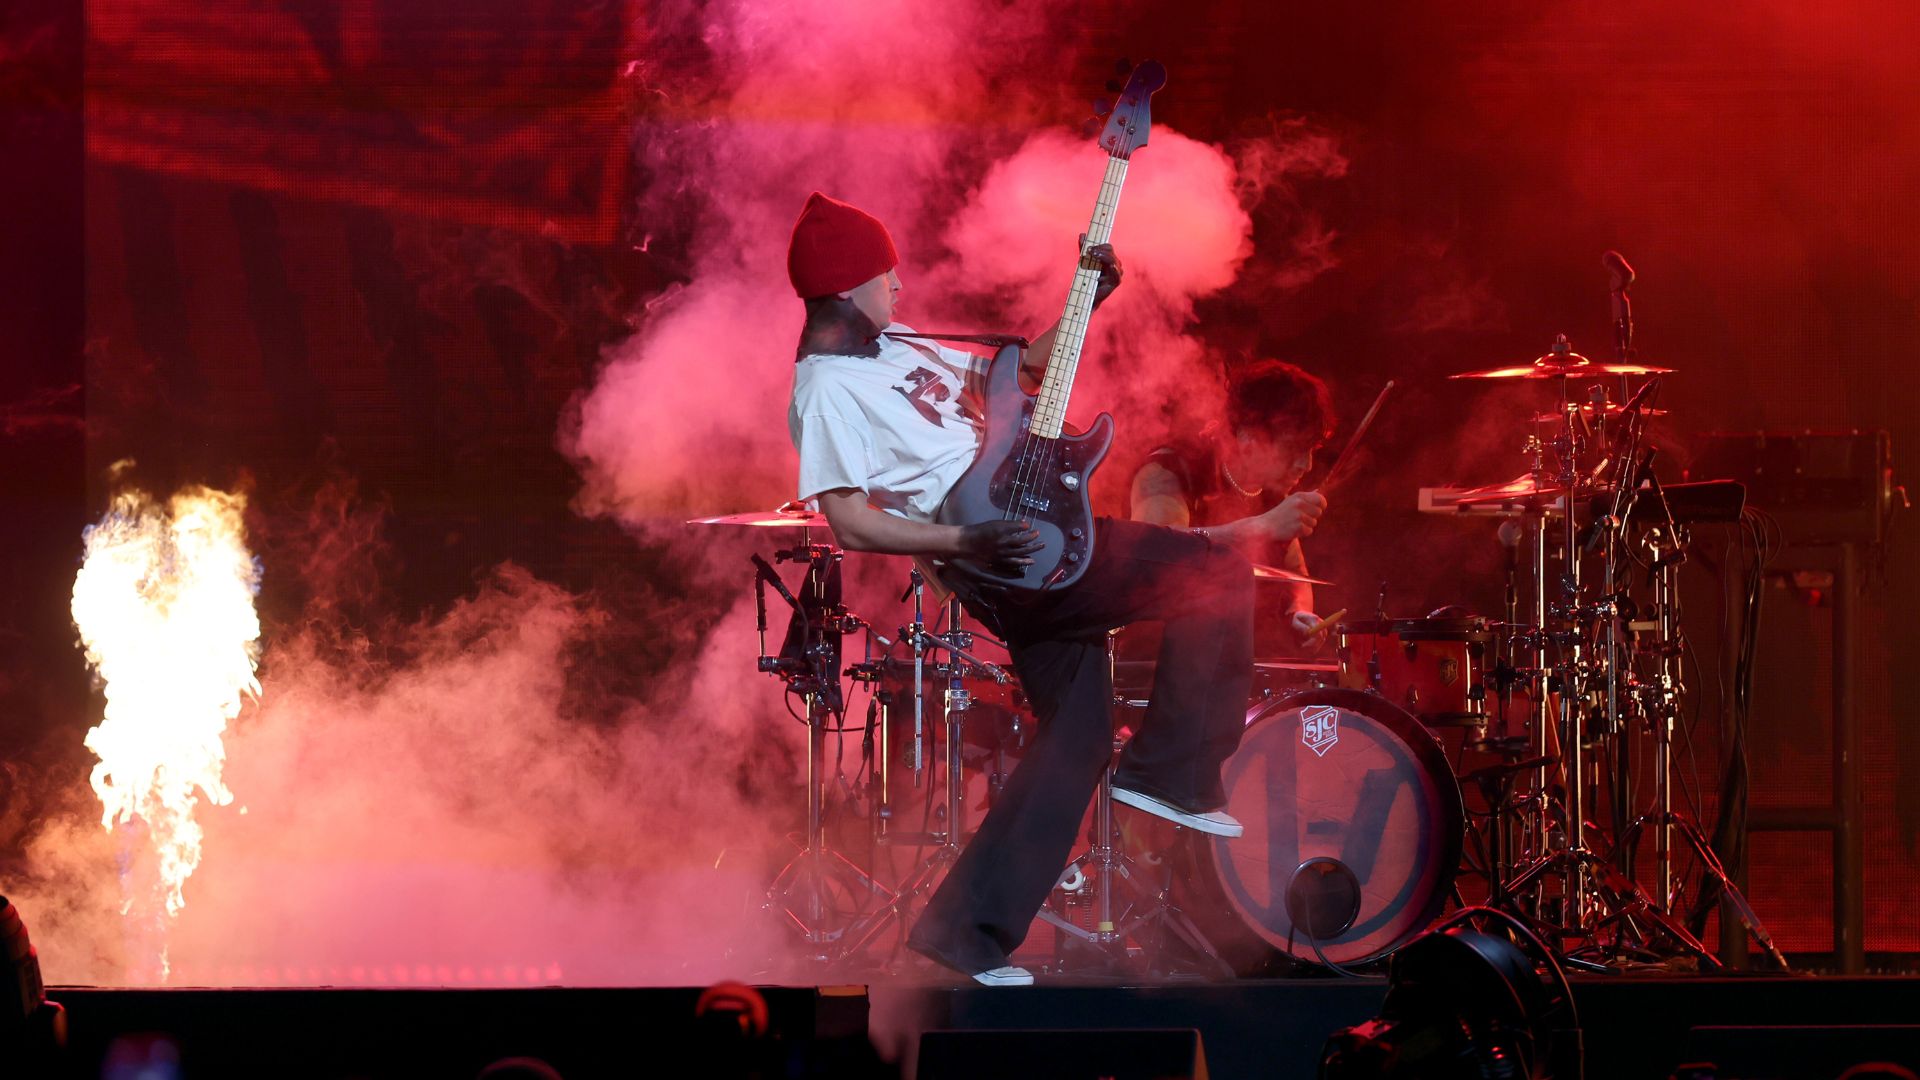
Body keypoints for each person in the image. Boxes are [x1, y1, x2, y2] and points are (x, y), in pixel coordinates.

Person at [783, 192, 1320, 987]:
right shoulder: (825, 388)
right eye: (883, 274)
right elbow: (850, 521)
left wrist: (1086, 298)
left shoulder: (897, 345)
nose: (897, 285)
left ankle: (965, 933)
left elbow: (1024, 371)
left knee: (1077, 741)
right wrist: (963, 542)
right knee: (1214, 571)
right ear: (844, 285)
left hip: (1029, 530)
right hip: (1003, 549)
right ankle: (1171, 772)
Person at [1129, 358, 1335, 654]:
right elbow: (1153, 547)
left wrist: (1299, 611)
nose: (1307, 464)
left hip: (1237, 660)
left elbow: (1294, 573)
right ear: (1248, 438)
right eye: (1293, 449)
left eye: (1311, 450)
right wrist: (1261, 527)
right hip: (1154, 660)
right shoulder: (1169, 470)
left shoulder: (1271, 490)